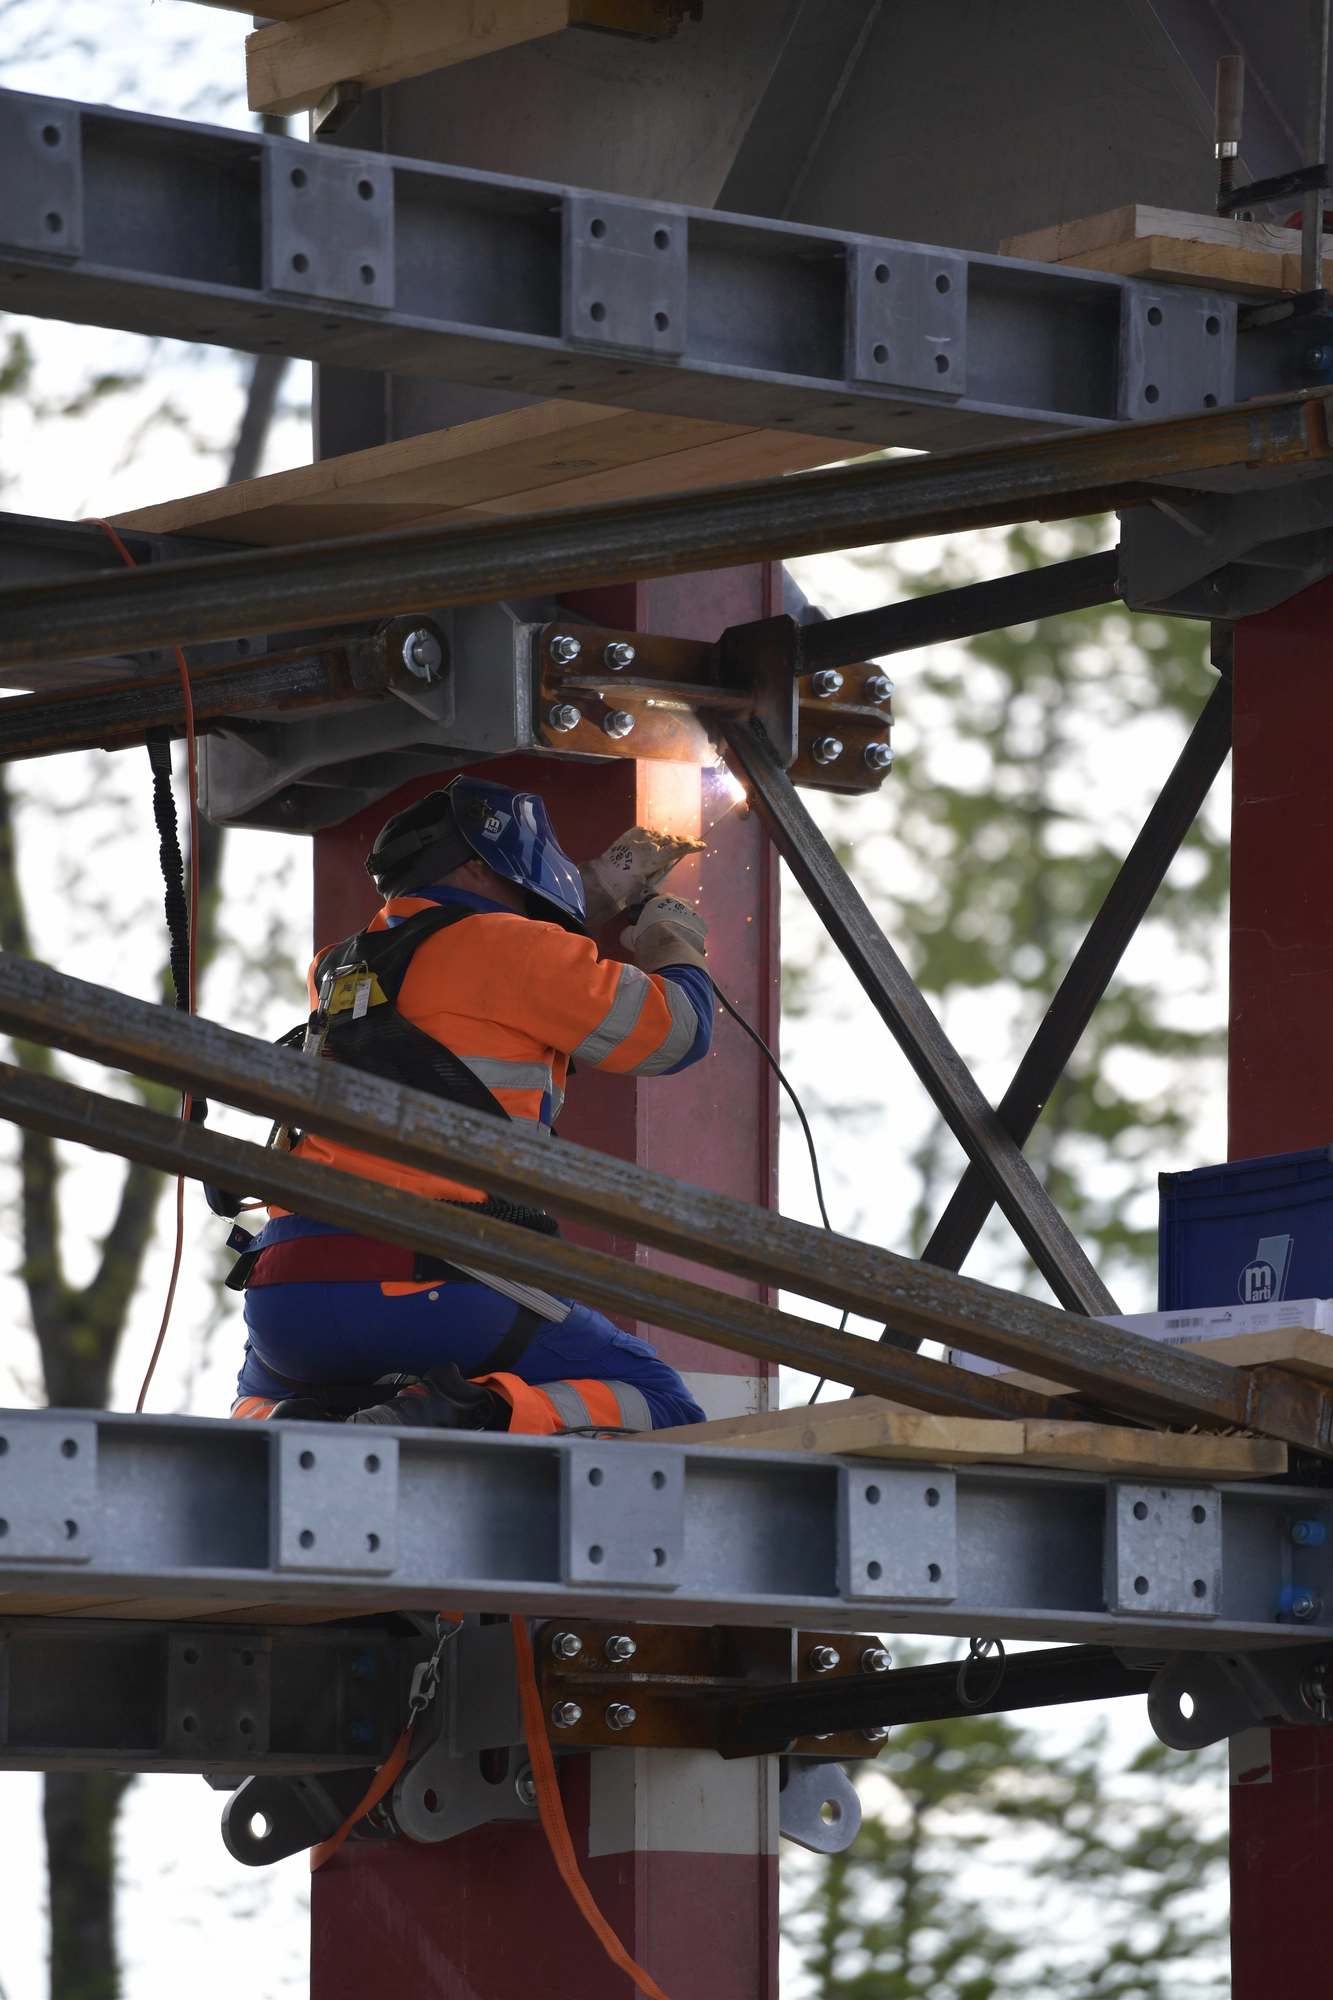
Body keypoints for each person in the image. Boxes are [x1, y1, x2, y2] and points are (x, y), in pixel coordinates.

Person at [229, 775, 711, 1434]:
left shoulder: (343, 966)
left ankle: (294, 1418)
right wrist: (671, 944)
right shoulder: (514, 950)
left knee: (256, 1399)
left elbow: (482, 953)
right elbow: (675, 1034)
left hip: (290, 1292)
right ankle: (470, 1408)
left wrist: (606, 882)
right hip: (437, 1284)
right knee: (658, 1402)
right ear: (479, 868)